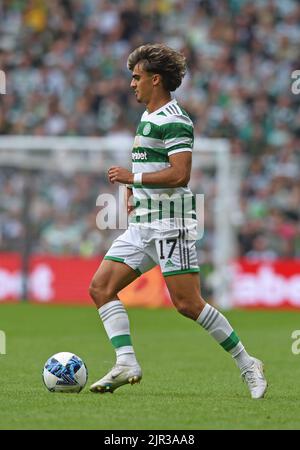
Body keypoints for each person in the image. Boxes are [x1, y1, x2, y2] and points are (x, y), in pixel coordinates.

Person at [89, 44, 267, 399]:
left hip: (172, 223)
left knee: (188, 304)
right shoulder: (149, 116)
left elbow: (180, 174)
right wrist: (134, 189)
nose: (131, 84)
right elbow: (153, 165)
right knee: (100, 288)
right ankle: (126, 362)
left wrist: (131, 178)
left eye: (136, 77)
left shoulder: (175, 119)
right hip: (143, 223)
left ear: (156, 80)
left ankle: (248, 363)